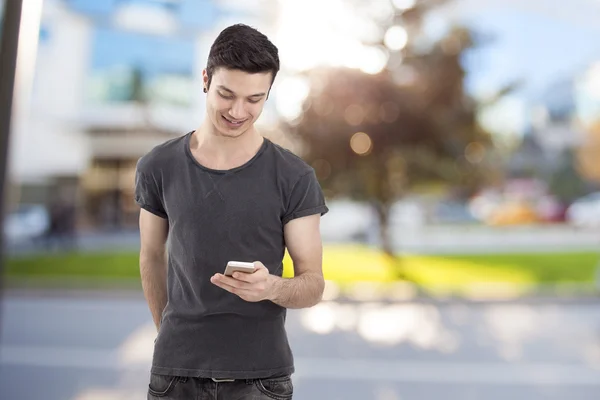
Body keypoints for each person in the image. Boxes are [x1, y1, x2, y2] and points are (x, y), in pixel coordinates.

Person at [134, 23, 328, 400]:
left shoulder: (294, 176)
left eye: (254, 99)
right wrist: (168, 335)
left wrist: (271, 286)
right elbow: (151, 255)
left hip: (261, 381)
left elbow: (313, 284)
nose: (238, 111)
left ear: (268, 93)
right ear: (205, 79)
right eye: (226, 94)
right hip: (175, 376)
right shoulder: (158, 166)